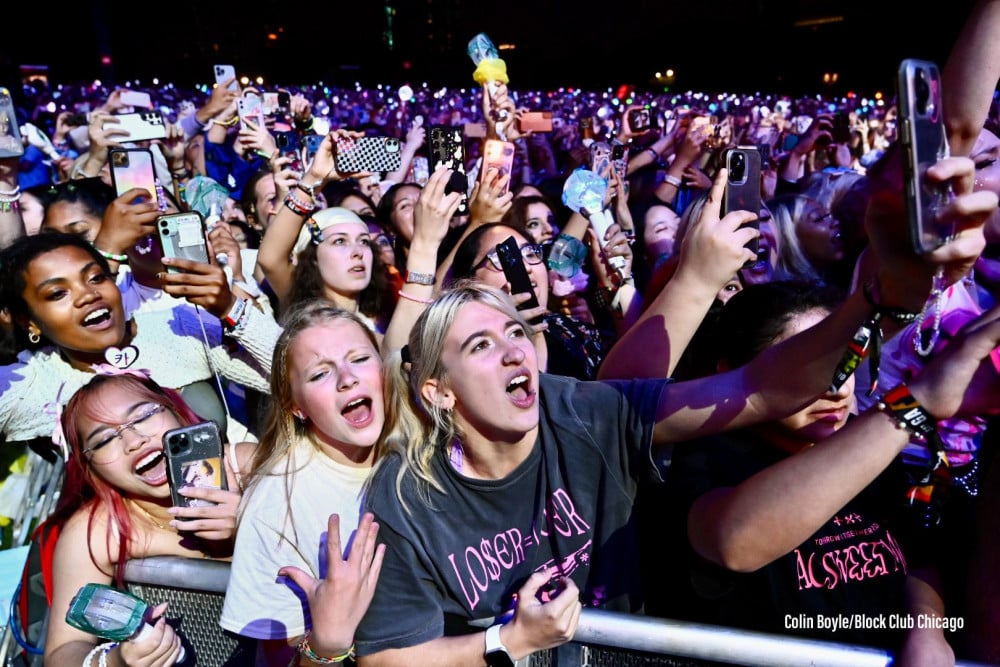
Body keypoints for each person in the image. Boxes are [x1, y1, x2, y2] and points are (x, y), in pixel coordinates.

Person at [331, 148, 996, 665]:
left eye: (514, 331)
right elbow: (387, 655)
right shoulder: (407, 495)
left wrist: (872, 301)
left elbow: (763, 387)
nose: (513, 351)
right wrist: (504, 642)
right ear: (438, 391)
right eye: (481, 342)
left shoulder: (574, 412)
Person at [654, 281, 958, 660]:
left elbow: (918, 562)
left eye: (846, 362)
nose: (836, 389)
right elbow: (733, 544)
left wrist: (927, 632)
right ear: (733, 374)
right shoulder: (702, 459)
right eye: (807, 370)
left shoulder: (868, 442)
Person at [220, 300, 386, 666]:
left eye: (359, 358)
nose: (347, 378)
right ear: (296, 406)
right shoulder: (277, 505)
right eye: (319, 374)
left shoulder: (420, 447)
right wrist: (329, 639)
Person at [0, 231, 274, 447]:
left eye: (96, 278)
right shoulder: (29, 384)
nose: (88, 295)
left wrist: (230, 309)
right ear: (30, 322)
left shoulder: (180, 325)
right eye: (58, 293)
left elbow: (295, 374)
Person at [44, 371, 242, 667]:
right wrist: (116, 661)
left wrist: (249, 524)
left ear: (175, 410)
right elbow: (63, 652)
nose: (134, 441)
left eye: (143, 416)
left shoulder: (248, 468)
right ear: (90, 468)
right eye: (106, 439)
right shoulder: (98, 529)